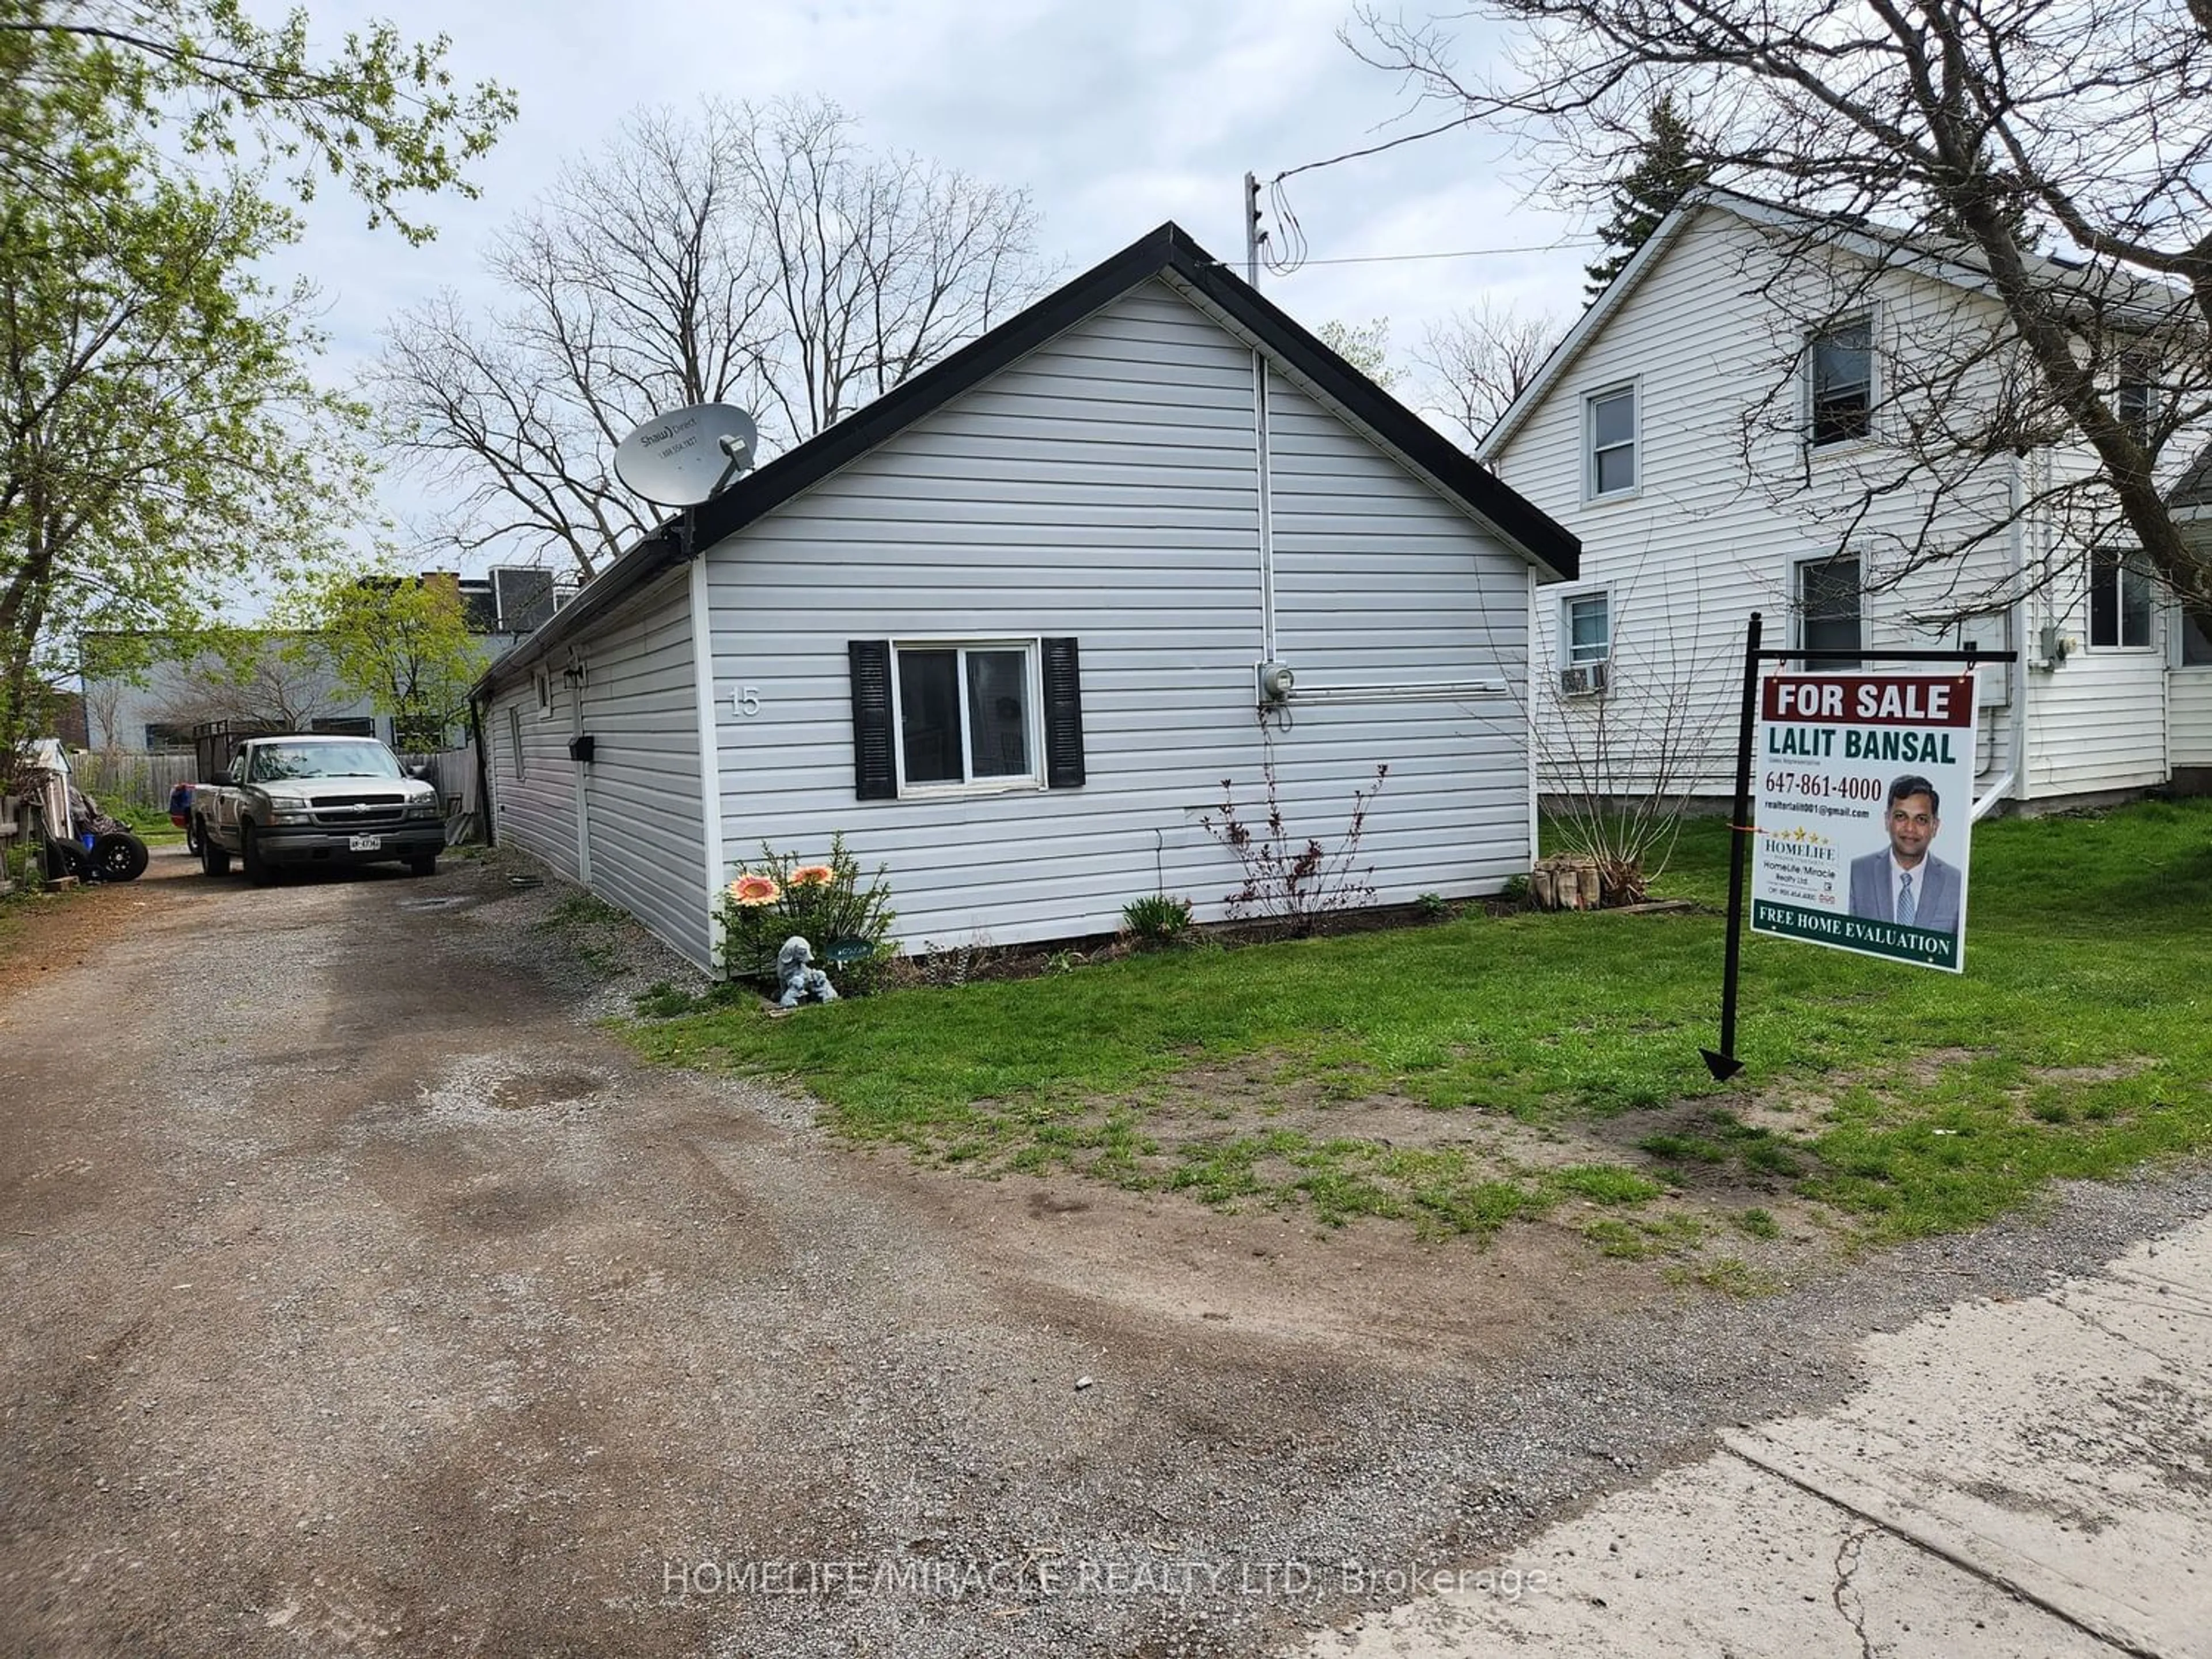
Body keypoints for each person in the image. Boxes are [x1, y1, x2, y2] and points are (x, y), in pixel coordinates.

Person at [1847, 774, 1961, 933]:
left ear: (1934, 826)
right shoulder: (1856, 873)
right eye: (1901, 817)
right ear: (1887, 821)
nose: (1910, 829)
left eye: (1921, 819)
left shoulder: (1956, 883)